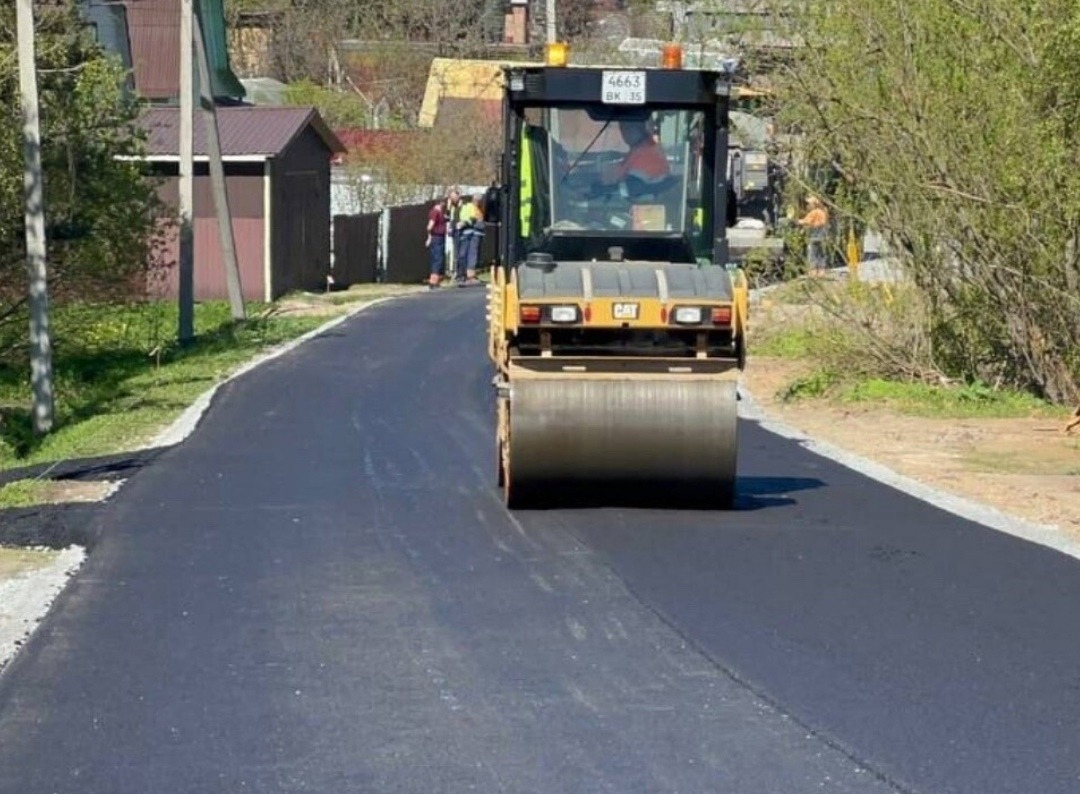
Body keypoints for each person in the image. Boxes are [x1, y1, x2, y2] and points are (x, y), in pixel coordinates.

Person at [601, 119, 670, 196]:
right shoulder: (643, 149)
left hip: (639, 202)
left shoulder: (646, 155)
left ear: (642, 129)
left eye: (628, 128)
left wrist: (602, 188)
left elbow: (630, 188)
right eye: (622, 129)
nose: (624, 133)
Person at [454, 193, 484, 286]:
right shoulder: (471, 208)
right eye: (479, 201)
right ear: (476, 200)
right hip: (471, 233)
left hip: (471, 233)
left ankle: (465, 275)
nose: (480, 202)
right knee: (469, 254)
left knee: (466, 254)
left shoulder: (471, 207)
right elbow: (470, 219)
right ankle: (467, 275)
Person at [796, 195, 830, 275]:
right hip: (822, 236)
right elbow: (824, 222)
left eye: (809, 204)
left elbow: (805, 221)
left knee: (812, 254)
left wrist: (796, 221)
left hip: (814, 237)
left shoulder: (813, 213)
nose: (807, 206)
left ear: (813, 204)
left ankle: (813, 271)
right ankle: (822, 270)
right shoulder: (823, 212)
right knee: (821, 253)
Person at [425, 196, 448, 290]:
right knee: (437, 259)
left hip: (439, 237)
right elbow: (430, 226)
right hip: (437, 237)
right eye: (444, 202)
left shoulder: (440, 212)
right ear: (441, 203)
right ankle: (433, 281)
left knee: (438, 258)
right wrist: (429, 237)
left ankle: (435, 280)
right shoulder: (435, 212)